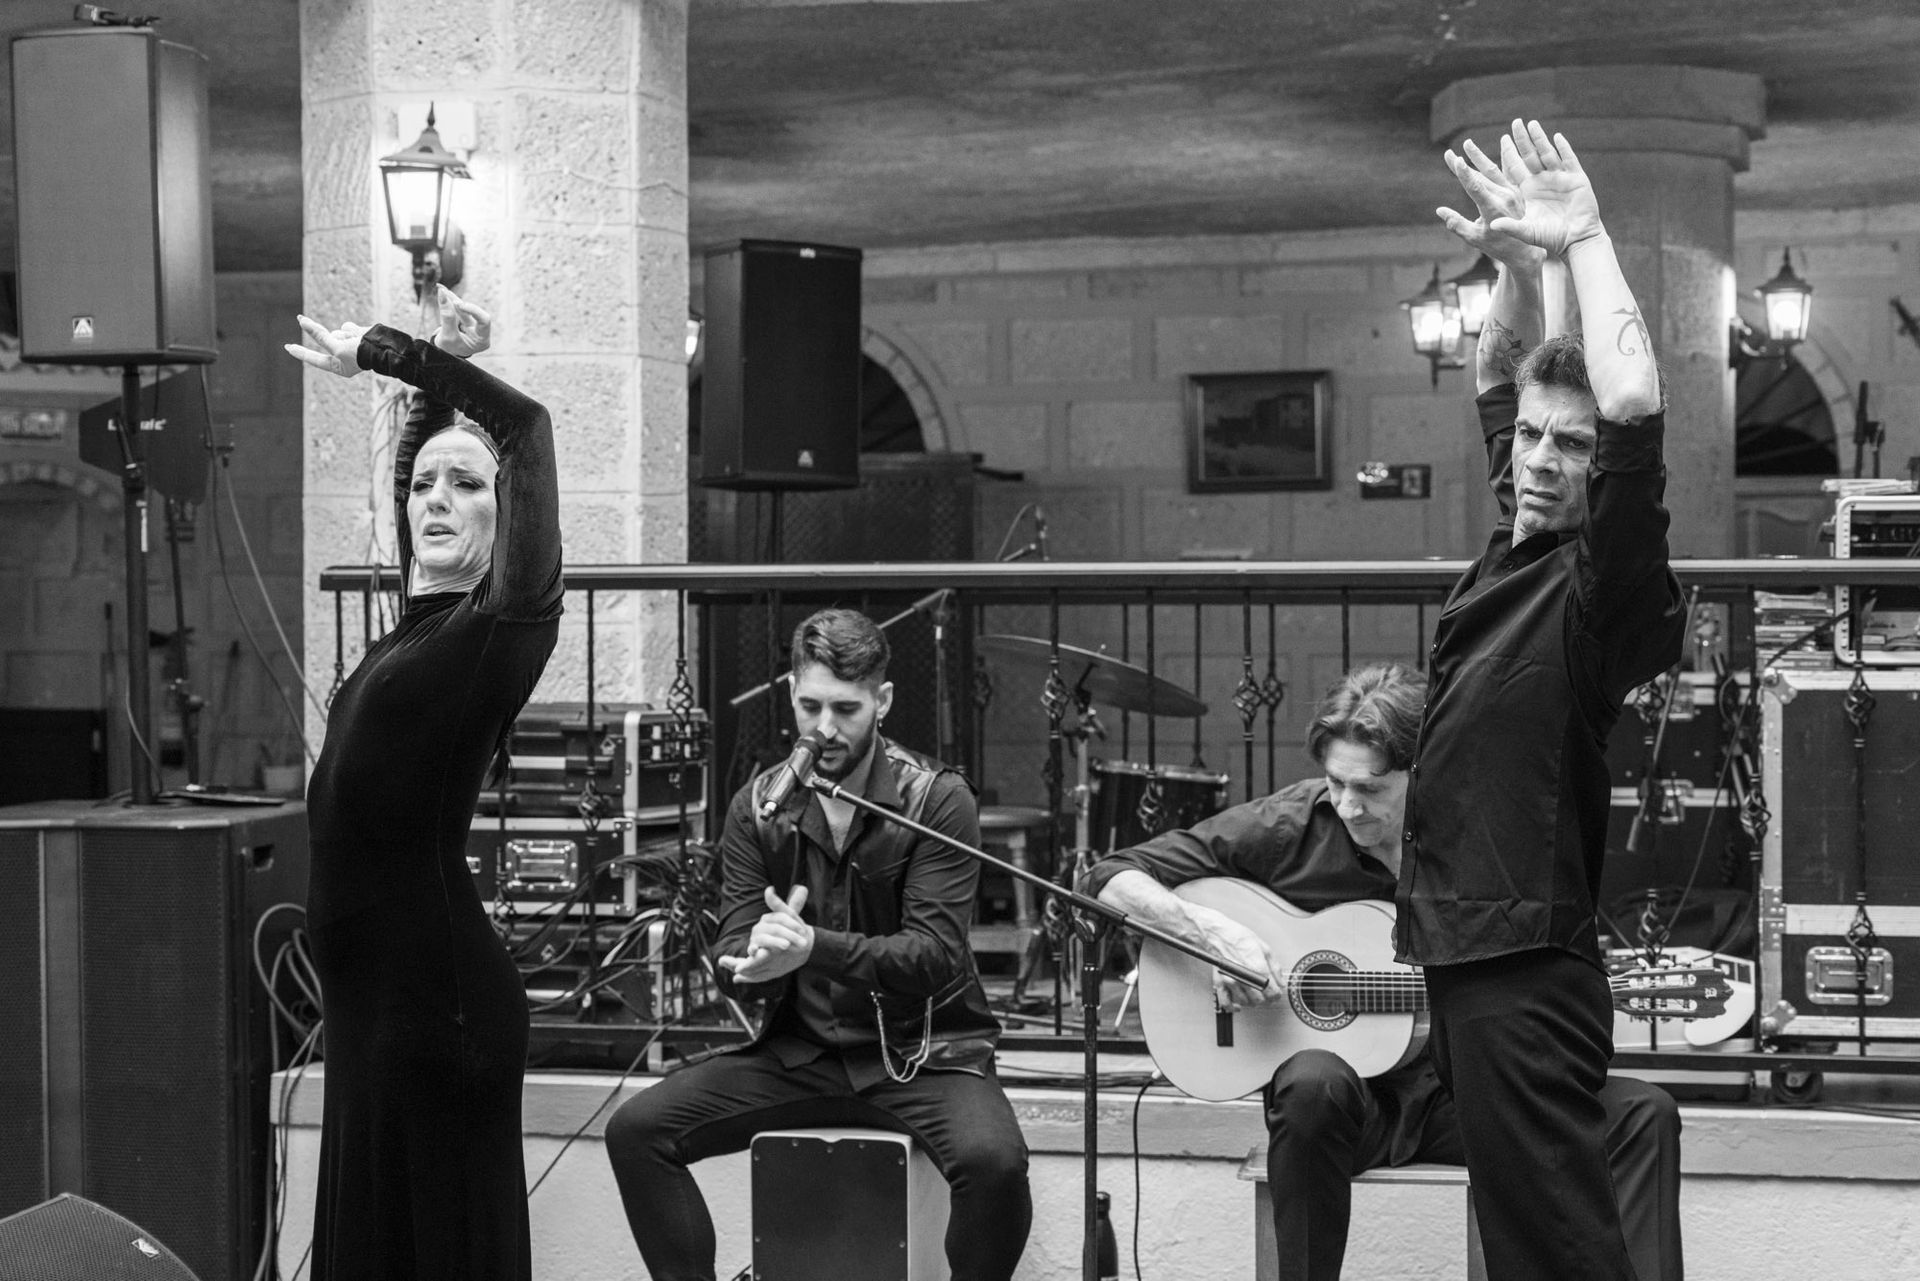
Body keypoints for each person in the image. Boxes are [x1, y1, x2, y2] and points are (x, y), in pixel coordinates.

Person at [1090, 663, 1683, 1281]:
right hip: (1346, 1112)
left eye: (1369, 789)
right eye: (1335, 782)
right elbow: (1107, 877)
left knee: (1643, 1112)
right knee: (1310, 1082)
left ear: (1425, 772)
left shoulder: (1488, 842)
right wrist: (1210, 934)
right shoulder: (1293, 824)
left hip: (1471, 1096)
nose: (1346, 804)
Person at [1397, 120, 1688, 1278]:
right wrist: (1524, 262)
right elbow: (1500, 368)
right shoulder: (1510, 549)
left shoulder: (1602, 587)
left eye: (1568, 450)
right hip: (1470, 959)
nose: (1540, 461)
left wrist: (1591, 238)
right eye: (1530, 440)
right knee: (1526, 1247)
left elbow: (1626, 400)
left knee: (1563, 1256)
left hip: (1525, 970)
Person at [604, 608, 1032, 1281]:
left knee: (996, 1163)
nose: (823, 728)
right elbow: (733, 943)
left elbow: (933, 957)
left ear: (882, 701)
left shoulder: (936, 799)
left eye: (845, 708)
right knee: (635, 1131)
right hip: (798, 1054)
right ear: (791, 693)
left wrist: (813, 947)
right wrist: (746, 963)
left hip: (922, 1057)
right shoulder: (760, 804)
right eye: (809, 705)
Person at [285, 287, 563, 1280]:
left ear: (505, 518)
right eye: (422, 488)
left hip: (438, 1013)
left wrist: (390, 352)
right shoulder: (412, 632)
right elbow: (433, 466)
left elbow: (523, 432)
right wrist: (431, 397)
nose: (437, 500)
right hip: (371, 1015)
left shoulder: (499, 632)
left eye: (467, 489)